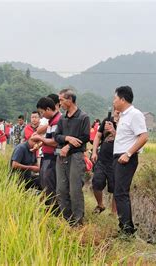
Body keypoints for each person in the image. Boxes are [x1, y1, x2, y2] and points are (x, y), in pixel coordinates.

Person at [112, 85, 148, 235]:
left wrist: (128, 154)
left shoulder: (135, 114)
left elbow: (144, 137)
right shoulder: (123, 116)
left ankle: (127, 231)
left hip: (126, 159)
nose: (113, 101)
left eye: (115, 98)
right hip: (118, 158)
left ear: (122, 99)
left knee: (121, 193)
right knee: (118, 193)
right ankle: (124, 227)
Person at [54, 88, 90, 226]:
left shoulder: (83, 117)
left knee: (75, 189)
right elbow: (56, 136)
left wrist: (68, 146)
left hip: (76, 156)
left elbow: (85, 137)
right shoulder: (62, 118)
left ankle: (78, 222)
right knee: (61, 189)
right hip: (61, 157)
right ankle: (67, 220)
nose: (60, 103)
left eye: (62, 100)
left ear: (70, 100)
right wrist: (68, 138)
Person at [32, 97, 62, 212]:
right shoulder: (51, 121)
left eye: (42, 112)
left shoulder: (57, 121)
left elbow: (55, 142)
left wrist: (39, 138)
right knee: (45, 182)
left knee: (50, 184)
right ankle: (49, 208)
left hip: (52, 157)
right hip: (48, 156)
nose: (42, 116)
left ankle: (54, 211)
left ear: (49, 109)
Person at [91, 110, 119, 215]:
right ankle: (100, 204)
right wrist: (94, 152)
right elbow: (98, 136)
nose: (117, 113)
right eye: (116, 111)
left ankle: (113, 213)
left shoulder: (125, 123)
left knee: (115, 188)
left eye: (119, 111)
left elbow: (125, 141)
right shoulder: (107, 121)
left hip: (116, 161)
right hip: (102, 158)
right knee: (96, 182)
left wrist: (113, 131)